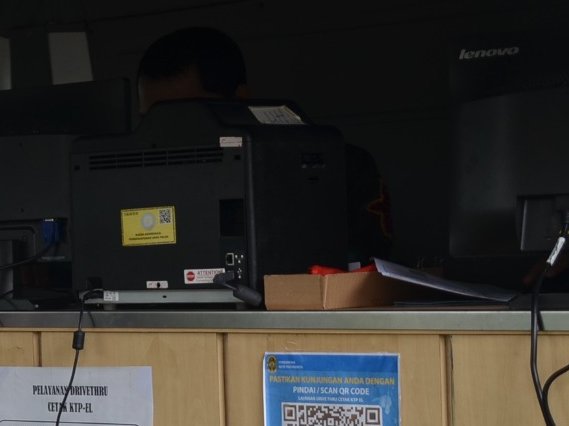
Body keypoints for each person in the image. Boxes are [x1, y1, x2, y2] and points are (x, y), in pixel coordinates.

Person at [137, 26, 393, 261]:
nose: (169, 136)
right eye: (153, 121)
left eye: (185, 116)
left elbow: (369, 273)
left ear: (241, 99)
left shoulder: (339, 166)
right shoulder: (136, 181)